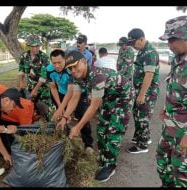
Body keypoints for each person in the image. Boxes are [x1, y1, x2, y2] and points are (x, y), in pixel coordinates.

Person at [57, 50, 133, 182]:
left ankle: (110, 165)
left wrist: (78, 127)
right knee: (102, 129)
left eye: (75, 66)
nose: (73, 71)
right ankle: (104, 159)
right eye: (70, 68)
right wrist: (65, 117)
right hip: (108, 97)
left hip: (122, 98)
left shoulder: (97, 76)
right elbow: (75, 98)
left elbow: (93, 106)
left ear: (83, 62)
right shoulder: (77, 77)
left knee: (113, 130)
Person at [156, 16, 187, 187]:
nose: (169, 43)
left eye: (173, 39)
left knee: (183, 173)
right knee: (162, 161)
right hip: (171, 123)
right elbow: (176, 87)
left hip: (185, 131)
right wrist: (166, 106)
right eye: (168, 39)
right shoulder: (177, 59)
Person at [47, 49, 94, 152]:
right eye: (54, 63)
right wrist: (60, 107)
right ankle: (65, 139)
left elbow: (72, 92)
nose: (57, 66)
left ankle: (88, 144)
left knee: (81, 114)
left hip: (79, 93)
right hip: (62, 93)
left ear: (65, 60)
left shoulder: (72, 69)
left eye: (60, 62)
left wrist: (62, 108)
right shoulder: (49, 69)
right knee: (61, 116)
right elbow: (53, 88)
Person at [126, 28, 160, 154]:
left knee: (142, 117)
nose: (133, 46)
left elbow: (149, 75)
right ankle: (142, 136)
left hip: (147, 92)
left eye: (134, 43)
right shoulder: (142, 51)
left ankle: (143, 145)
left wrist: (142, 94)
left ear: (141, 39)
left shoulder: (149, 53)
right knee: (138, 114)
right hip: (141, 90)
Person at [18, 34, 53, 121]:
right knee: (31, 108)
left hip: (43, 89)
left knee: (46, 109)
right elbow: (21, 70)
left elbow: (43, 76)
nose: (36, 48)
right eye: (33, 46)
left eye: (37, 46)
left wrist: (36, 89)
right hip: (30, 87)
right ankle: (33, 126)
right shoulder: (24, 56)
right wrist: (21, 82)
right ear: (29, 46)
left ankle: (49, 126)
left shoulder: (44, 57)